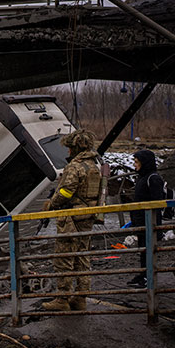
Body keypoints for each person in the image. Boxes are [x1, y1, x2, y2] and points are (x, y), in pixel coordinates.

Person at [41, 130, 102, 312]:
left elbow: (66, 192)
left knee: (64, 257)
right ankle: (80, 298)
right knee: (82, 257)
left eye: (69, 148)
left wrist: (51, 204)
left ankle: (62, 298)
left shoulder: (74, 167)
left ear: (75, 148)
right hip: (87, 217)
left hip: (71, 219)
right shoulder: (93, 166)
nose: (67, 152)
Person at [128, 149, 166, 288]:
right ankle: (143, 273)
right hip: (141, 221)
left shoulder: (153, 179)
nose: (134, 165)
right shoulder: (142, 178)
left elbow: (157, 203)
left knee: (148, 250)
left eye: (136, 162)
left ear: (144, 163)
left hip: (150, 222)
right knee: (143, 250)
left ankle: (147, 278)